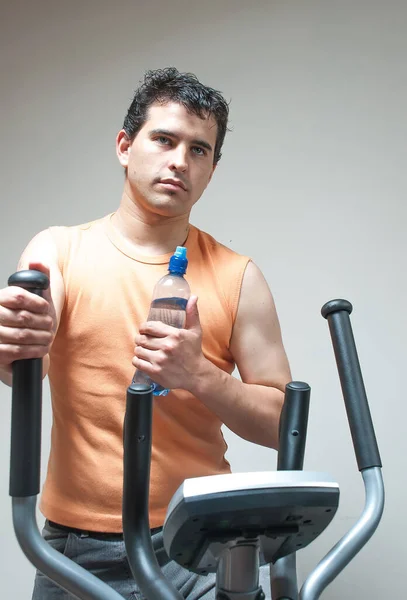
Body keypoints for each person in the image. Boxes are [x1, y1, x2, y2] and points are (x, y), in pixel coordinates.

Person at [0, 67, 291, 599]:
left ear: (212, 169)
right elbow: (25, 355)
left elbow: (281, 427)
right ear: (125, 146)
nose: (180, 160)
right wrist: (19, 340)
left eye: (199, 150)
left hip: (201, 543)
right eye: (163, 139)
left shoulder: (239, 277)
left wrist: (200, 375)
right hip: (75, 551)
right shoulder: (58, 250)